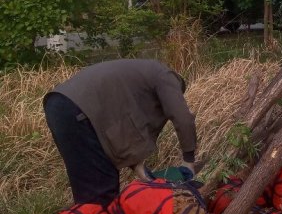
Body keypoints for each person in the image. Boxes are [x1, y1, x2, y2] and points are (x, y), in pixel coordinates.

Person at [43, 59, 198, 206]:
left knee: (88, 191)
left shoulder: (134, 82)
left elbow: (120, 133)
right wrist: (188, 162)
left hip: (58, 104)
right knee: (102, 194)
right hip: (77, 109)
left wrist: (138, 168)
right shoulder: (166, 76)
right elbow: (183, 118)